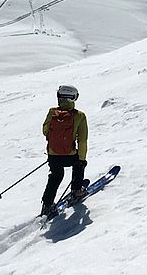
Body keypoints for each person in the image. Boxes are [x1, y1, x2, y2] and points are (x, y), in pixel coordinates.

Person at [41, 84, 88, 215]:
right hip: (70, 155)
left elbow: (45, 131)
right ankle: (77, 191)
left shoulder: (52, 112)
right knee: (78, 166)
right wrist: (82, 159)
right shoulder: (80, 116)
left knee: (56, 176)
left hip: (53, 155)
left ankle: (47, 204)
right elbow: (82, 140)